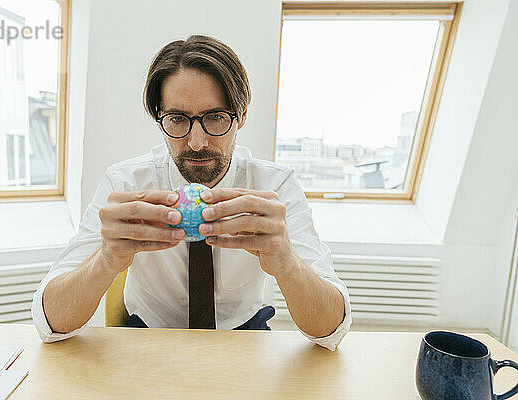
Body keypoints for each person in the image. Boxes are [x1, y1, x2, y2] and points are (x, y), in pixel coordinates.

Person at [31, 34, 351, 351]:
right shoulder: (126, 185)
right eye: (178, 119)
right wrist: (105, 260)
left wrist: (286, 261)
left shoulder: (274, 187)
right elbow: (51, 325)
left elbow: (330, 332)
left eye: (215, 117)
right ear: (160, 120)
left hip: (245, 337)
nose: (197, 143)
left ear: (242, 116)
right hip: (148, 337)